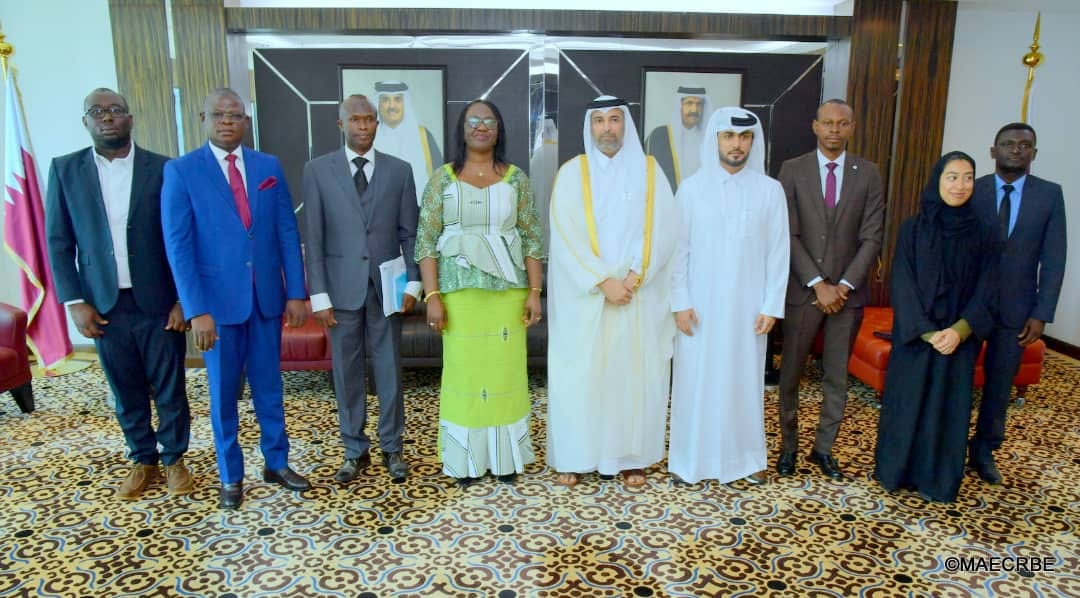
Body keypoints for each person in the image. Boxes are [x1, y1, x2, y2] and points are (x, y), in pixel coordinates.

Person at [162, 88, 310, 509]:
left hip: (266, 301)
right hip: (217, 308)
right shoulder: (182, 171)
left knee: (270, 388)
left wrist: (295, 292)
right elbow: (178, 247)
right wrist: (196, 310)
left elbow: (286, 231)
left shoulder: (268, 166)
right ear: (203, 119)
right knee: (224, 396)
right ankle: (231, 475)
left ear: (246, 121)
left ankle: (276, 463)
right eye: (219, 115)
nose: (227, 121)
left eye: (235, 115)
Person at [45, 88, 191, 500]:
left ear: (130, 118)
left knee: (170, 387)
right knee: (125, 388)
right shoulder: (65, 170)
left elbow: (181, 239)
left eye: (114, 110)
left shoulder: (164, 168)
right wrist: (75, 302)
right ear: (85, 121)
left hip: (159, 302)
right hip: (102, 304)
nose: (106, 117)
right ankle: (142, 458)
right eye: (97, 111)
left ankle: (174, 459)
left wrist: (183, 299)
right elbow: (58, 242)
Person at [547, 96, 678, 489]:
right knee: (581, 377)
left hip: (636, 297)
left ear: (626, 125)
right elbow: (565, 234)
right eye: (600, 120)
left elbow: (665, 229)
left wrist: (633, 278)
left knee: (631, 379)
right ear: (590, 126)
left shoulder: (650, 171)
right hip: (587, 298)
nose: (607, 128)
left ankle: (631, 459)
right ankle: (575, 455)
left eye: (615, 119)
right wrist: (604, 281)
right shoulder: (572, 173)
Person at [414, 99, 544, 487]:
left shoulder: (517, 179)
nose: (481, 126)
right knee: (465, 376)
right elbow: (426, 240)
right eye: (473, 120)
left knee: (505, 374)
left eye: (489, 121)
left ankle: (505, 459)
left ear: (499, 130)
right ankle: (466, 460)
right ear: (462, 128)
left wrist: (535, 291)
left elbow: (532, 237)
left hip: (508, 295)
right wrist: (432, 296)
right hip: (459, 296)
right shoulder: (442, 179)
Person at [669, 107, 789, 485]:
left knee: (743, 382)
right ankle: (690, 461)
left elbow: (778, 252)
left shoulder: (770, 190)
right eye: (729, 136)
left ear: (753, 141)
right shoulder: (691, 189)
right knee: (696, 382)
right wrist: (679, 302)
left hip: (748, 309)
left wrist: (772, 305)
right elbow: (678, 251)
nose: (737, 145)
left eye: (744, 137)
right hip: (699, 307)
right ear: (716, 139)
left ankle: (746, 460)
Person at [303, 95, 420, 482]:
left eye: (370, 119)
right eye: (356, 120)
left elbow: (410, 234)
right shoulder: (317, 171)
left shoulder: (400, 171)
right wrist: (319, 294)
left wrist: (414, 282)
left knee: (389, 369)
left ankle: (392, 447)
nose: (364, 126)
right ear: (341, 125)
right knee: (346, 372)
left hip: (387, 289)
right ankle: (354, 449)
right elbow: (314, 238)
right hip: (339, 291)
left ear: (377, 124)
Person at [875, 151, 999, 503]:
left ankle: (937, 481)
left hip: (959, 340)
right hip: (917, 338)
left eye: (968, 177)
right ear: (937, 181)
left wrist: (959, 331)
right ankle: (896, 472)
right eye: (952, 177)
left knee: (948, 410)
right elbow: (902, 282)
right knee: (907, 404)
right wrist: (928, 333)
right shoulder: (913, 229)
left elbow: (989, 287)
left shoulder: (986, 233)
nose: (960, 185)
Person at [776, 99, 884, 480]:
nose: (834, 130)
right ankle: (789, 448)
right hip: (803, 292)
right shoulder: (792, 170)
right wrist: (817, 283)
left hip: (847, 298)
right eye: (827, 123)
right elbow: (786, 233)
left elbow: (872, 237)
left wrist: (843, 286)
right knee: (790, 375)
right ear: (815, 126)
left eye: (842, 123)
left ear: (852, 127)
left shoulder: (868, 173)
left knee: (836, 377)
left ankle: (823, 449)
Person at [968, 123, 1066, 485]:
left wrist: (1042, 313)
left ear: (1033, 154)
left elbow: (1055, 258)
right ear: (993, 151)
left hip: (1018, 309)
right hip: (970, 307)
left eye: (1024, 145)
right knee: (958, 380)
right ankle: (949, 445)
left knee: (999, 384)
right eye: (1008, 144)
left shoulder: (1049, 195)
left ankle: (984, 449)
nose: (1016, 149)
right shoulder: (972, 190)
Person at [373, 80, 444, 204]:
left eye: (397, 99)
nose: (392, 106)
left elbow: (440, 178)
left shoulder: (423, 136)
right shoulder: (368, 137)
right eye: (385, 100)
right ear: (378, 104)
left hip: (420, 210)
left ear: (405, 103)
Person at [645, 86, 711, 191]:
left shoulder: (711, 139)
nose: (694, 110)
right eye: (689, 103)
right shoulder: (659, 136)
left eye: (699, 104)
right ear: (679, 106)